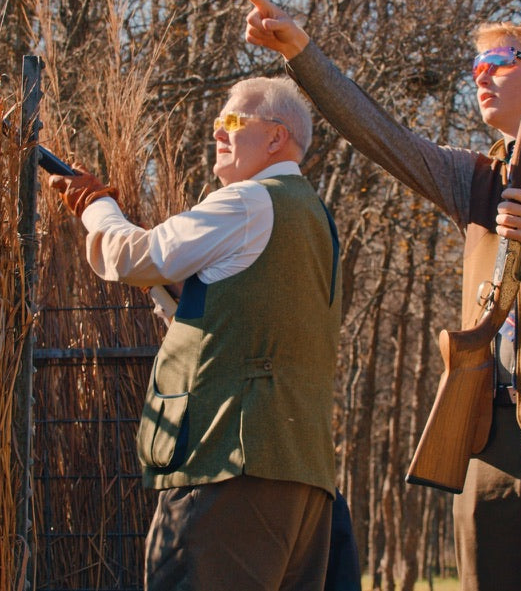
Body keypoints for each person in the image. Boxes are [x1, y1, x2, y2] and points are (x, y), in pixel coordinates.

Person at [235, 0, 521, 591]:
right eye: (477, 65)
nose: (482, 75)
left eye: (500, 61)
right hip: (485, 426)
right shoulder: (473, 176)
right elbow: (381, 135)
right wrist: (300, 52)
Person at [49, 76, 344, 591]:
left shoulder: (248, 201)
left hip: (228, 468)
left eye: (232, 121)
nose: (218, 132)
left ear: (276, 137)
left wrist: (96, 206)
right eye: (217, 122)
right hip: (303, 479)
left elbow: (135, 256)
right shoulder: (316, 217)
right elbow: (231, 313)